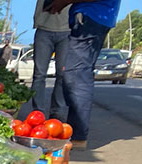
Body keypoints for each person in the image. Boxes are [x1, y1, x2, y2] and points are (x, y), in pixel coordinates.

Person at [49, 0, 117, 148]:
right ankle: (75, 134)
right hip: (96, 17)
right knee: (79, 73)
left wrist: (62, 2)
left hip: (90, 16)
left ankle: (76, 136)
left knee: (76, 75)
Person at [30, 0, 70, 122]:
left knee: (62, 75)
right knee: (39, 74)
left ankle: (57, 112)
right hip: (44, 28)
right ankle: (38, 113)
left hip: (67, 29)